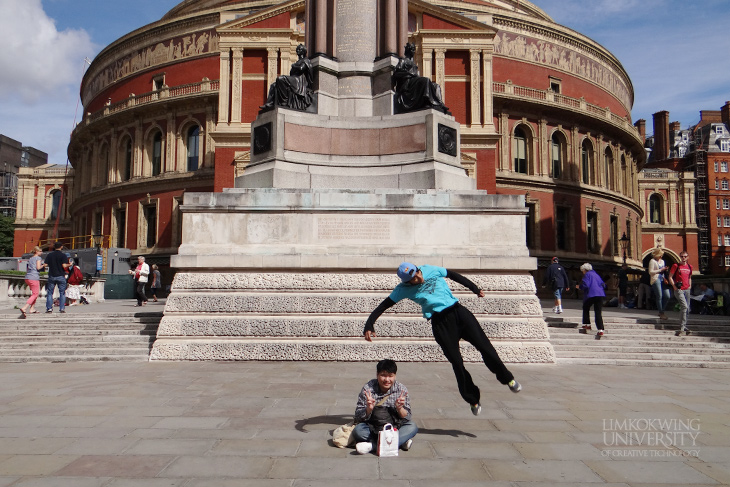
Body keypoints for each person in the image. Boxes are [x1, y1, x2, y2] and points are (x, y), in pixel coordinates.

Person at [363, 263, 521, 417]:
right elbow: (383, 305)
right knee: (457, 363)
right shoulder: (402, 289)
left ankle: (508, 379)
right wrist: (369, 324)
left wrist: (475, 288)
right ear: (407, 282)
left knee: (485, 347)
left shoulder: (429, 269)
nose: (419, 277)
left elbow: (453, 275)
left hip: (459, 313)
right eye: (414, 278)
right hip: (440, 324)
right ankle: (473, 400)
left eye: (417, 272)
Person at [352, 359, 418, 454]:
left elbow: (407, 417)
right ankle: (399, 442)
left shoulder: (401, 390)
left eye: (390, 376)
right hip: (373, 427)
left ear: (395, 375)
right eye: (383, 375)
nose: (387, 380)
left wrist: (400, 408)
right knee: (358, 431)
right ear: (377, 375)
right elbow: (358, 417)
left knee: (412, 427)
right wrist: (368, 409)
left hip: (394, 426)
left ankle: (372, 446)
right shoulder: (368, 389)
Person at [392, 43, 450, 114]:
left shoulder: (413, 63)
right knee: (425, 80)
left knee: (436, 86)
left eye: (414, 50)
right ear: (408, 50)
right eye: (412, 49)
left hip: (413, 83)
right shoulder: (403, 61)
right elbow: (396, 73)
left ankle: (439, 104)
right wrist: (409, 74)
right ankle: (427, 101)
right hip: (408, 84)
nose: (413, 51)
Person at [260, 44, 313, 110]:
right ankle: (269, 103)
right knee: (273, 85)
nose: (297, 50)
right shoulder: (298, 61)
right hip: (294, 79)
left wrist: (294, 66)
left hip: (298, 80)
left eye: (300, 49)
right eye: (297, 49)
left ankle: (284, 102)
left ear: (303, 51)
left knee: (280, 79)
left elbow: (301, 69)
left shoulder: (305, 60)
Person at [576, 263, 607, 339]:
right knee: (598, 312)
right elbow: (603, 285)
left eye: (582, 271)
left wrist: (579, 287)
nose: (582, 272)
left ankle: (587, 324)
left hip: (591, 294)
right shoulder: (596, 275)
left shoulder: (587, 275)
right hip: (600, 294)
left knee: (586, 307)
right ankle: (600, 329)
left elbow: (586, 285)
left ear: (585, 270)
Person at [668, 251, 692, 336]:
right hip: (679, 289)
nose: (683, 258)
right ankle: (682, 327)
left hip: (687, 289)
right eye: (682, 256)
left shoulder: (689, 266)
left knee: (687, 308)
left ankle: (684, 326)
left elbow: (689, 277)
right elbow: (670, 276)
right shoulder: (676, 266)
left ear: (687, 257)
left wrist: (690, 286)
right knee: (684, 306)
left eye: (685, 256)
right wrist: (674, 287)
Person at [44, 242, 70, 314]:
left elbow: (45, 265)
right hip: (61, 275)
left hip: (52, 275)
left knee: (50, 293)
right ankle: (62, 308)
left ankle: (49, 308)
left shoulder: (50, 255)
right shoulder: (63, 255)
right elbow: (64, 266)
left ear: (54, 247)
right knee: (62, 293)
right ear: (61, 247)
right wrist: (69, 264)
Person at [20, 246, 46, 318]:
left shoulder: (31, 258)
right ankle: (25, 307)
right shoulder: (38, 258)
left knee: (34, 293)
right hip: (34, 277)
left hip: (28, 277)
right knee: (35, 294)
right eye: (40, 251)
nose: (42, 252)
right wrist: (43, 265)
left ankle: (32, 308)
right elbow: (38, 267)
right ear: (36, 252)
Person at [648, 248, 670, 320]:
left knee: (667, 296)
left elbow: (663, 271)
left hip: (662, 279)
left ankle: (662, 310)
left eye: (661, 255)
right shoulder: (652, 261)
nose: (661, 257)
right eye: (660, 255)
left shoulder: (663, 261)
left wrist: (665, 269)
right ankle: (661, 313)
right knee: (659, 295)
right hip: (656, 279)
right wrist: (661, 270)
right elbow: (650, 272)